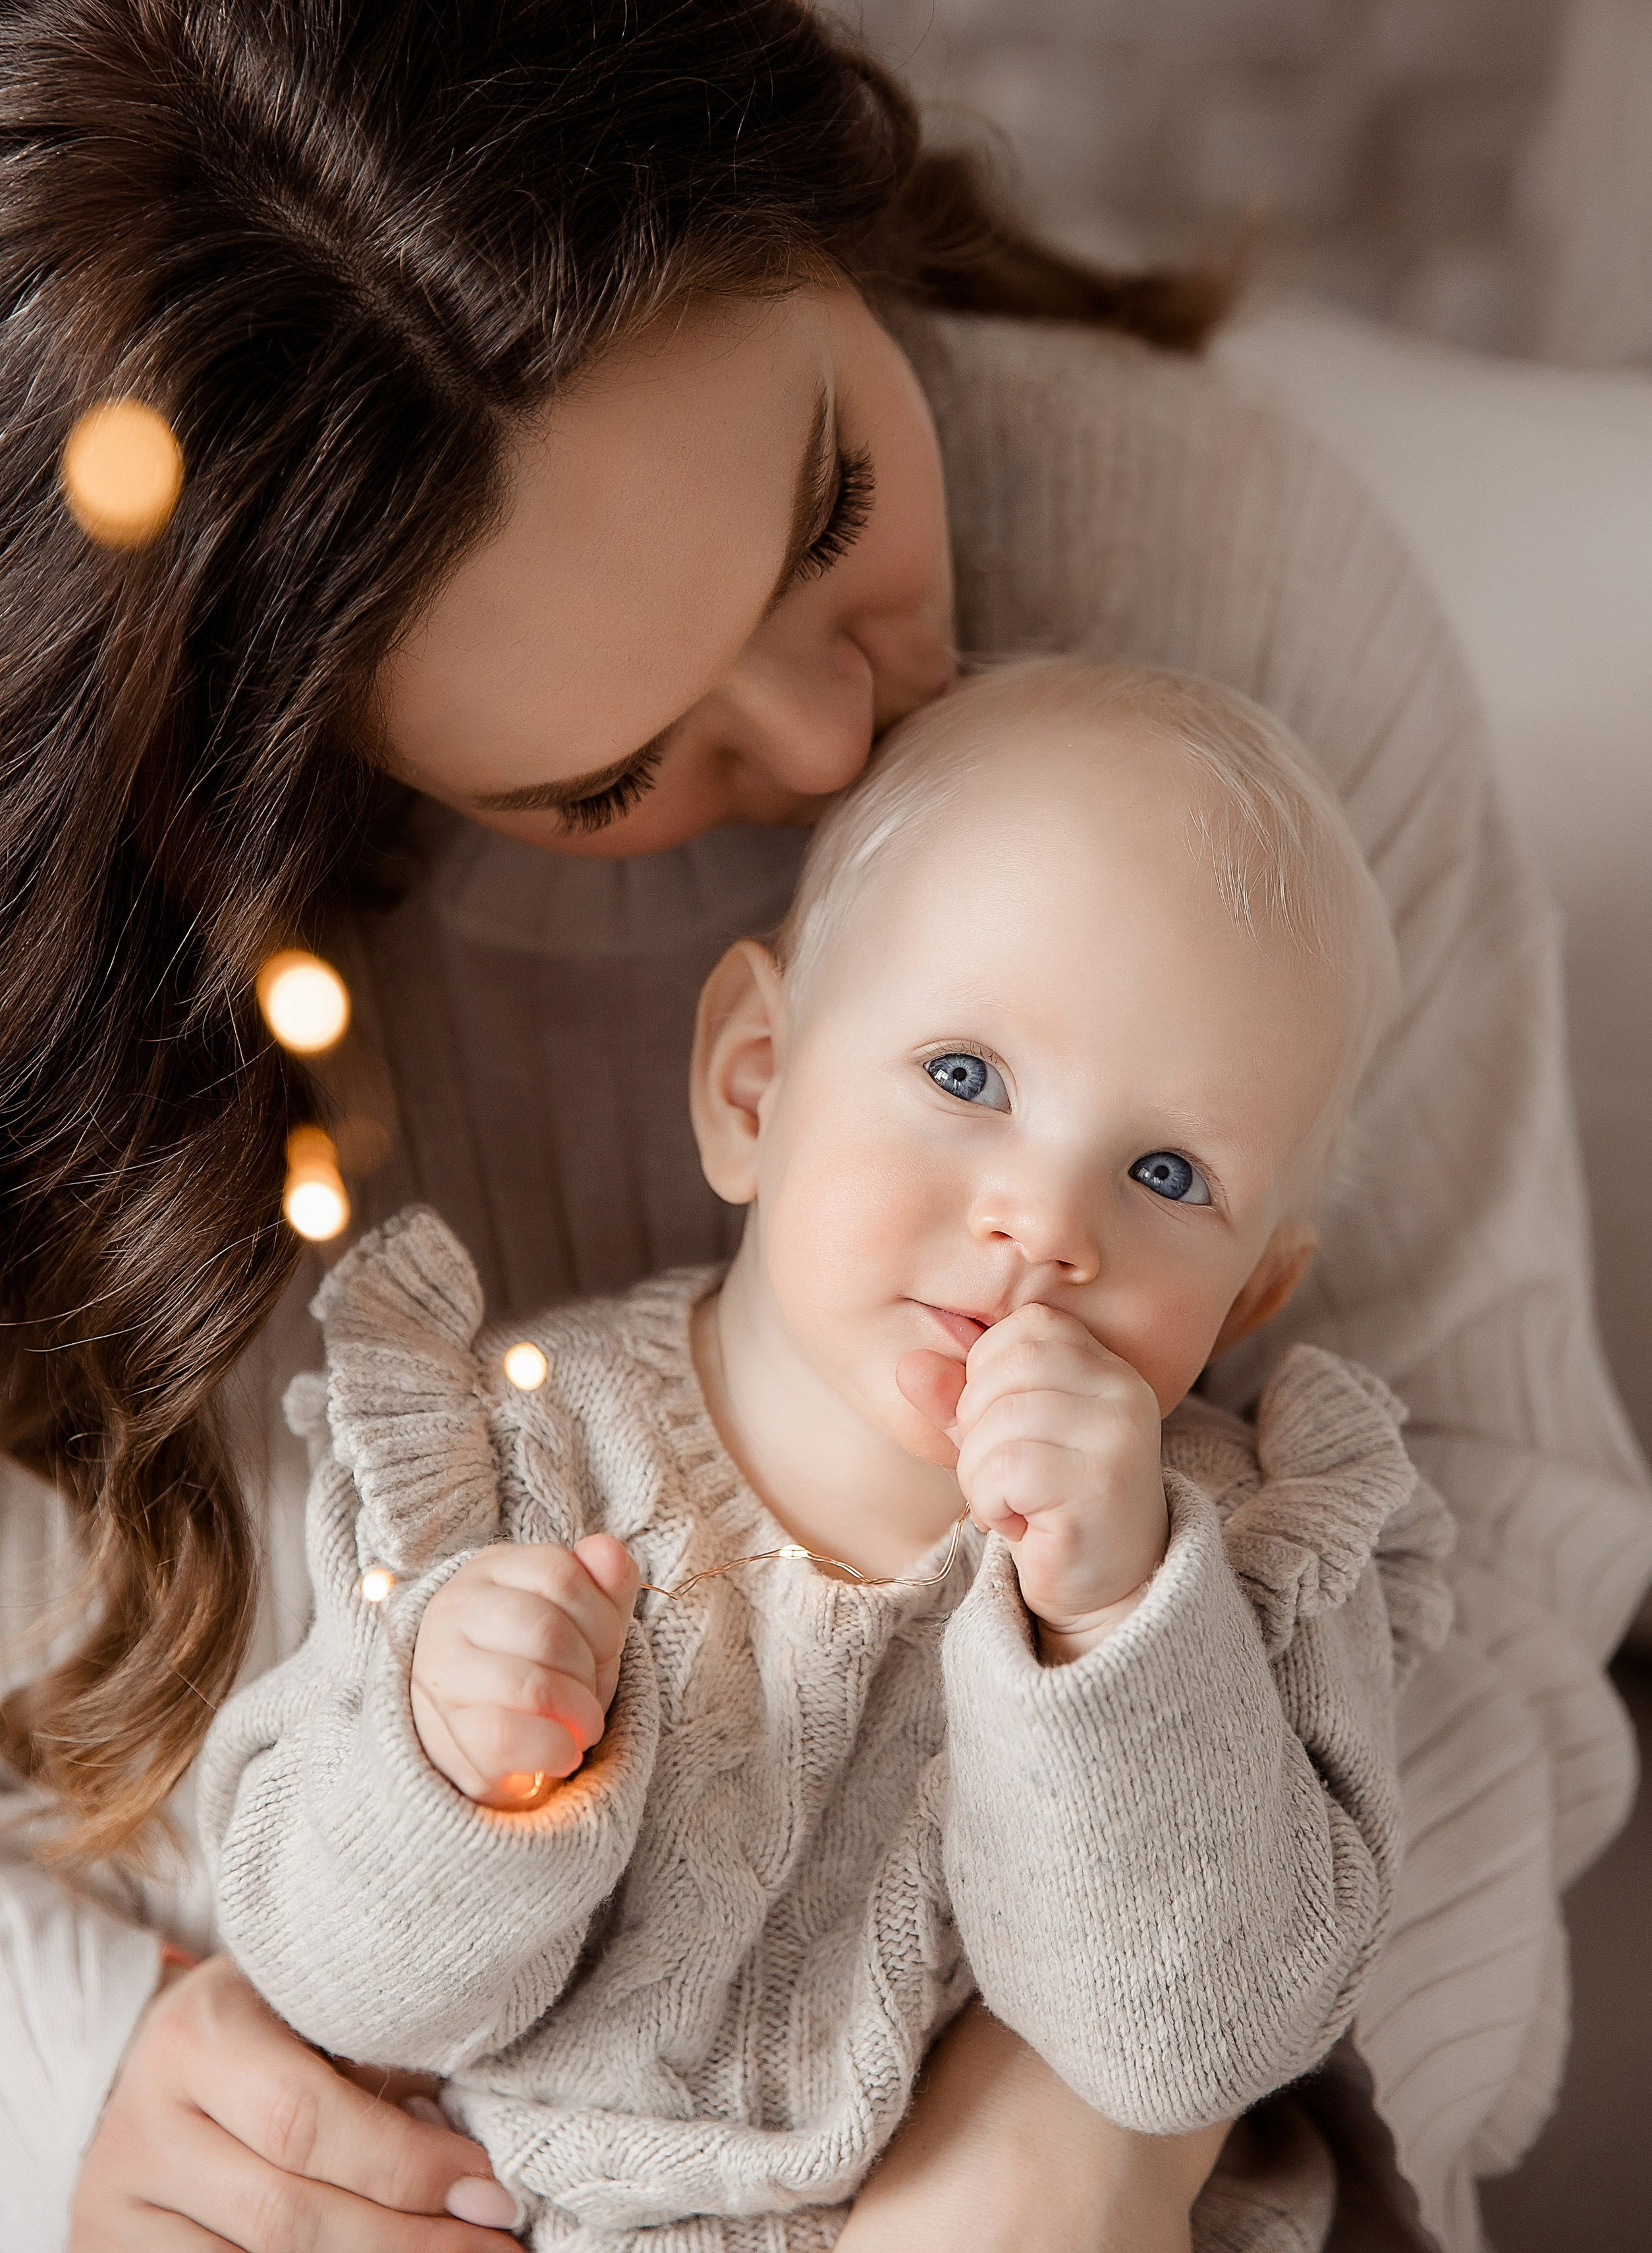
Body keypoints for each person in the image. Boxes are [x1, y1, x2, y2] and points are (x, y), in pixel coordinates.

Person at [0, 0, 1652, 2253]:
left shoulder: (1228, 590)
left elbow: (1491, 1548)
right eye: (605, 776)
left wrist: (1083, 2153)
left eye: (823, 512)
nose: (828, 749)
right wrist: (70, 2075)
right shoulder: (453, 1382)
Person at [200, 659, 1456, 2253]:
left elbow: (1184, 2045)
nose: (1044, 1226)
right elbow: (324, 1973)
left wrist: (1110, 1627)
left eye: (1161, 1171)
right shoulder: (518, 1459)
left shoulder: (1238, 1571)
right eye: (964, 1078)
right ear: (752, 1083)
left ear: (1250, 1291)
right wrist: (452, 1773)